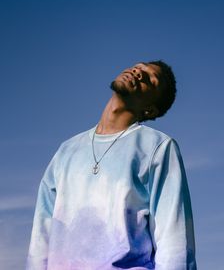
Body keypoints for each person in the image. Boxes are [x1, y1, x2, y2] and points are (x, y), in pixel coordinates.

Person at [26, 60, 197, 270]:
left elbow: (175, 240)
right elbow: (41, 237)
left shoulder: (158, 148)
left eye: (150, 80)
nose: (139, 72)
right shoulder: (66, 151)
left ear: (150, 110)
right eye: (139, 66)